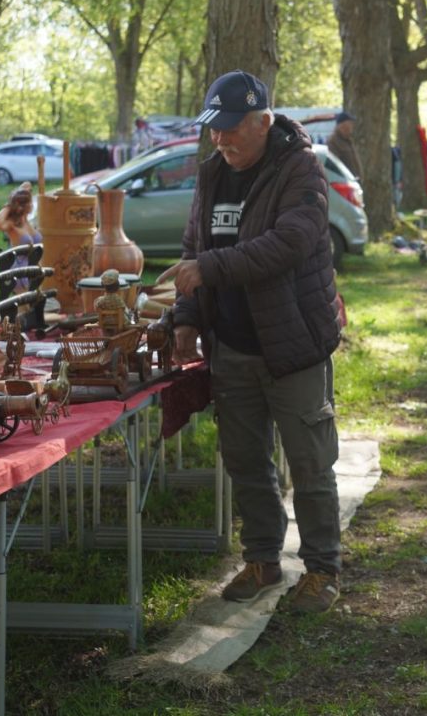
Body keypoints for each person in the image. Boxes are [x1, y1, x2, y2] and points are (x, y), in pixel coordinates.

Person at [161, 70, 344, 613]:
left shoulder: (301, 170)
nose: (221, 139)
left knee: (310, 463)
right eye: (214, 128)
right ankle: (263, 560)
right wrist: (188, 319)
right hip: (233, 348)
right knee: (245, 461)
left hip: (293, 347)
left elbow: (287, 245)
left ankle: (322, 570)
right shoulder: (213, 173)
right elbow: (194, 244)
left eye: (233, 128)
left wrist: (207, 270)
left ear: (263, 121)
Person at [0, 181, 42, 288]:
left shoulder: (27, 222)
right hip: (21, 272)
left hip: (35, 271)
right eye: (29, 202)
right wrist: (10, 205)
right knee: (24, 304)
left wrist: (20, 192)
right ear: (22, 206)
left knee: (35, 303)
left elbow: (27, 184)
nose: (32, 205)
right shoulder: (12, 225)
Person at [326, 111, 362, 179]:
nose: (352, 126)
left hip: (354, 182)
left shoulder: (348, 140)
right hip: (343, 183)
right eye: (350, 123)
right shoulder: (333, 142)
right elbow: (333, 165)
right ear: (343, 125)